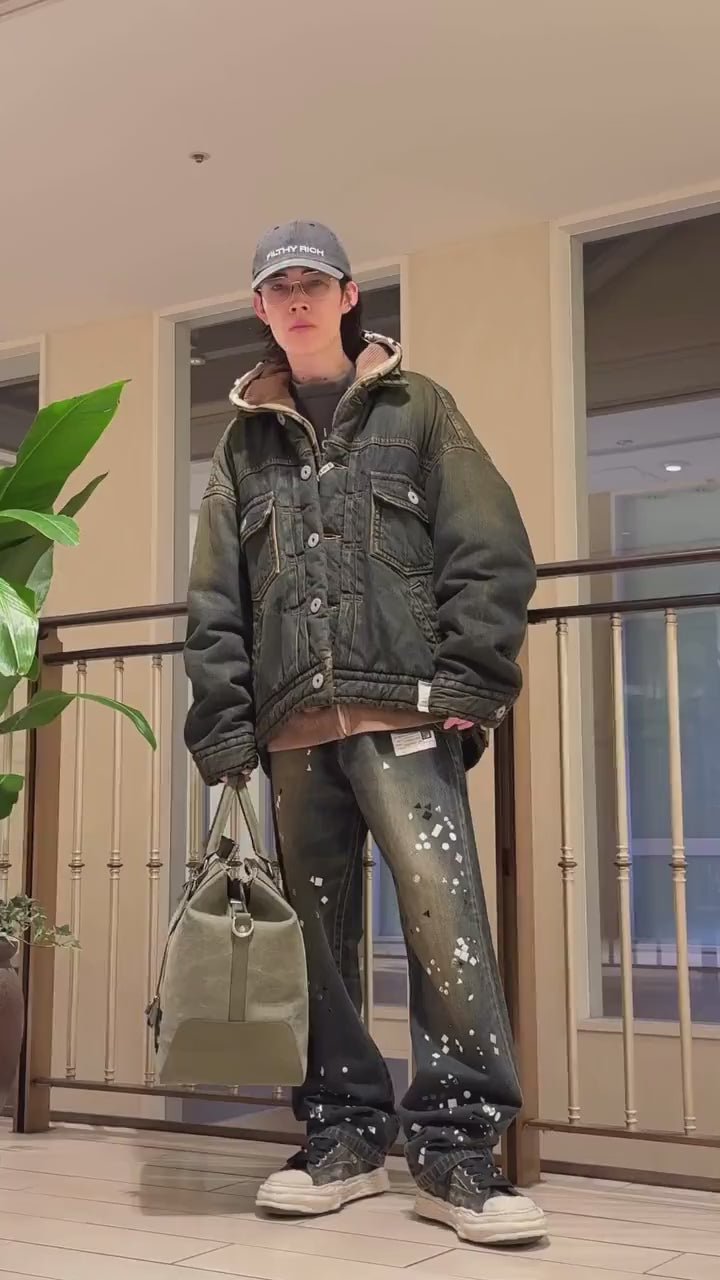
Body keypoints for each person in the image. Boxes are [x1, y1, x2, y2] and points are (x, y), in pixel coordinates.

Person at [184, 220, 546, 1247]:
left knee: (445, 926)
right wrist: (225, 731)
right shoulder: (243, 446)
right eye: (277, 287)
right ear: (261, 310)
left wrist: (472, 678)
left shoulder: (418, 408)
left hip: (409, 714)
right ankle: (341, 1136)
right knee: (315, 942)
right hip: (291, 727)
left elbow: (488, 545)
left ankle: (458, 1152)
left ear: (348, 296)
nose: (296, 298)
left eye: (314, 282)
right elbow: (215, 599)